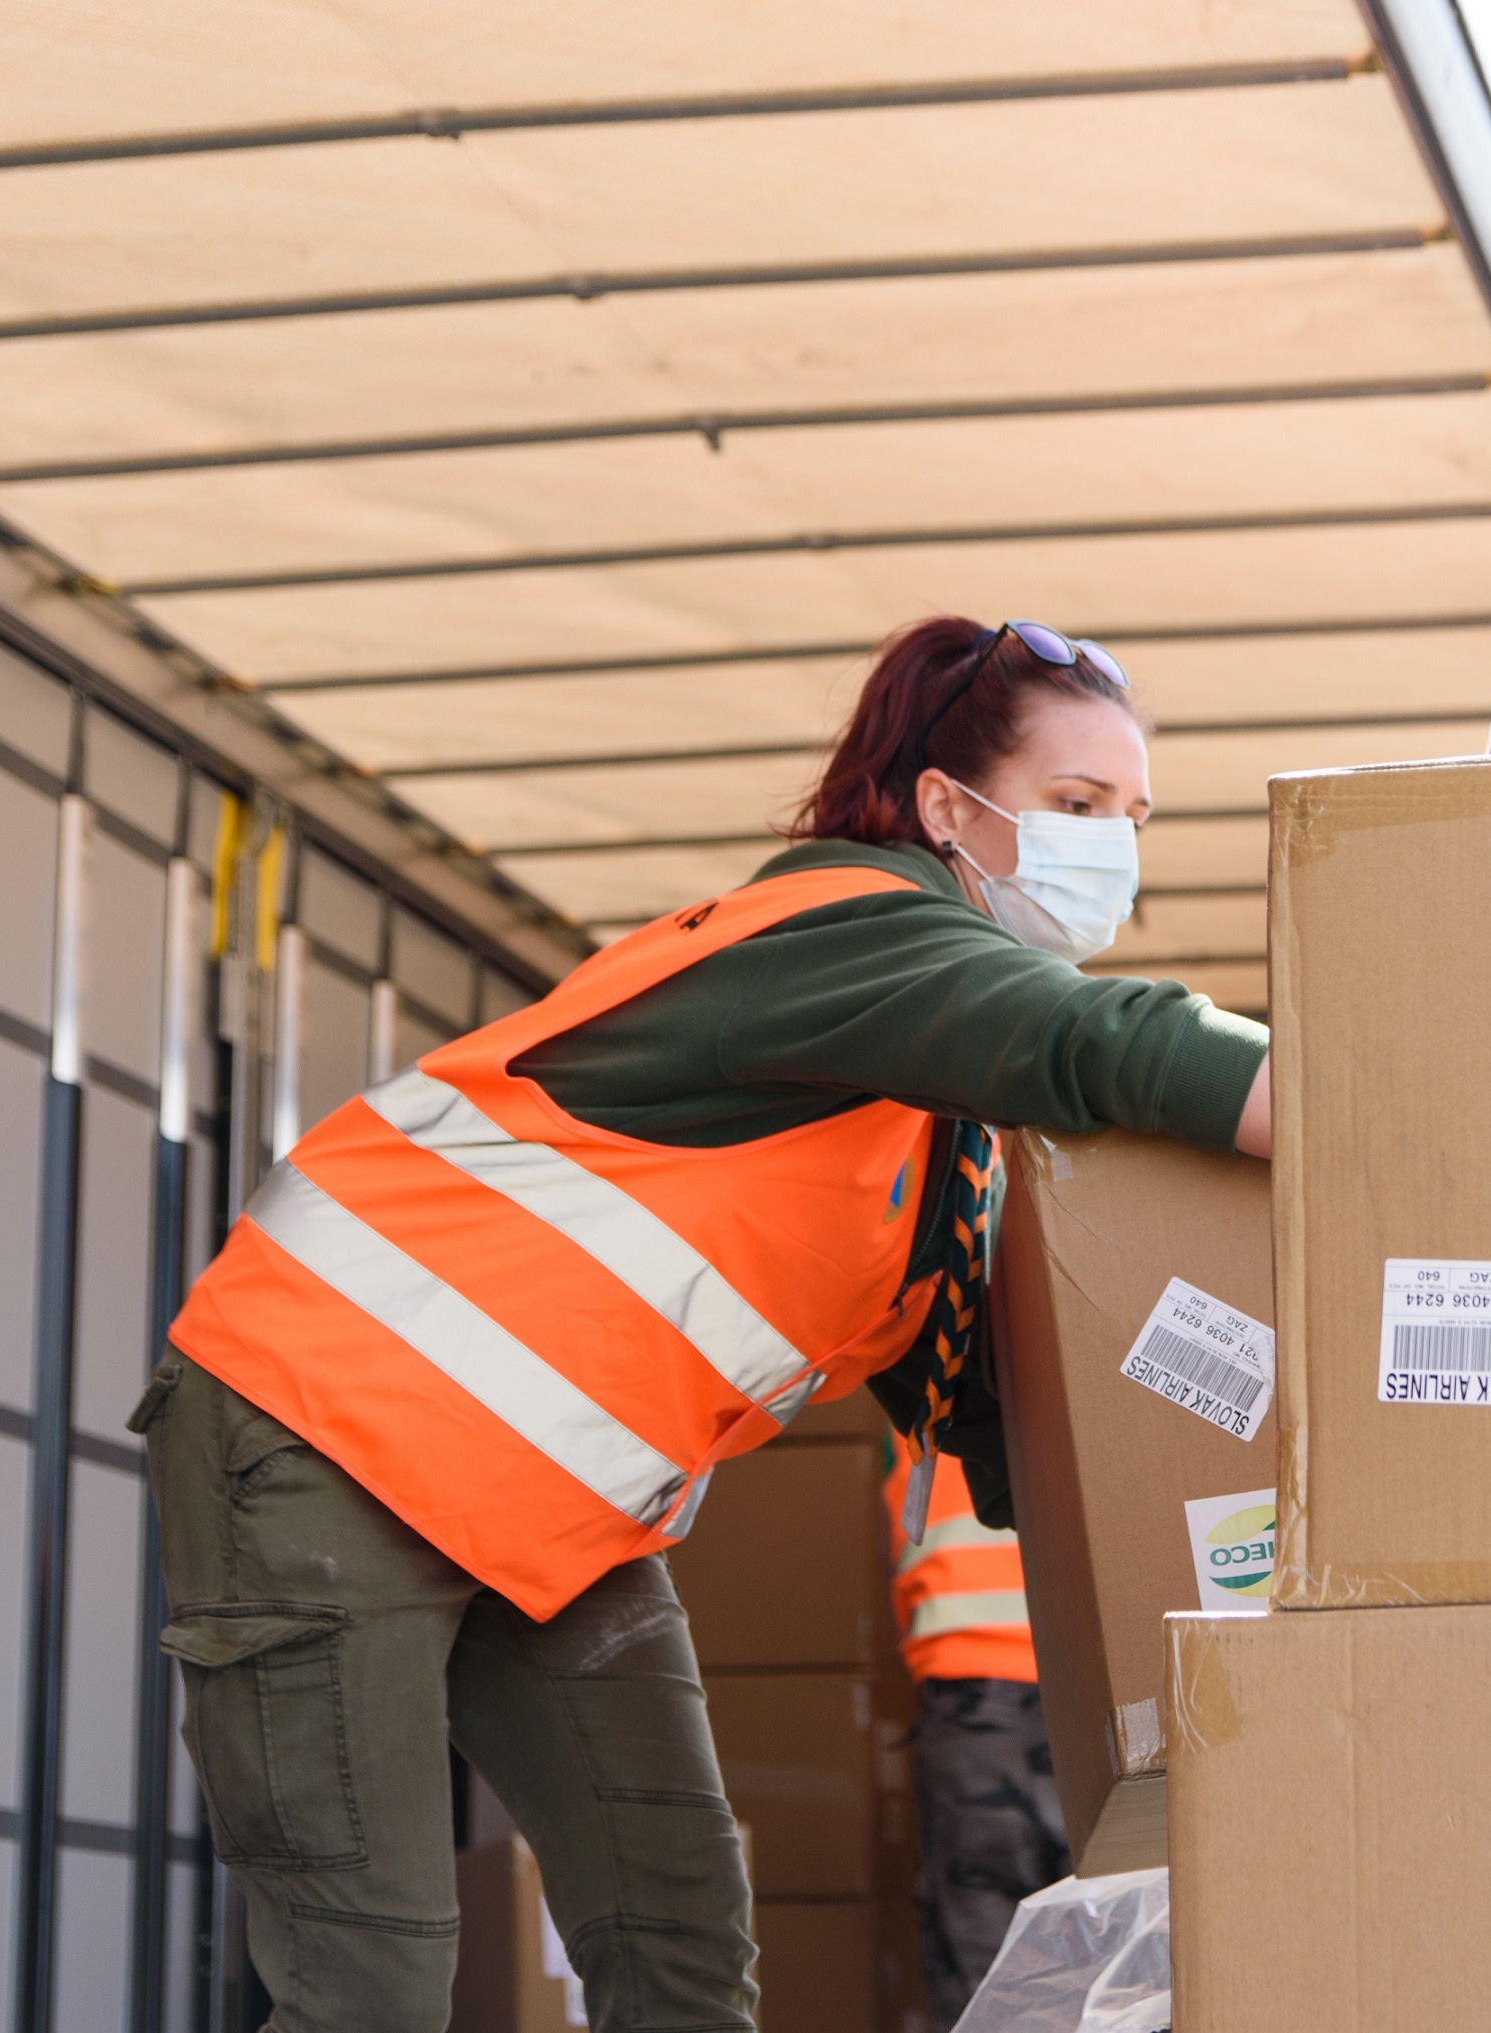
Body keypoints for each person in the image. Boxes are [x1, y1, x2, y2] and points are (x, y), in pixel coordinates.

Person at [136, 615, 1268, 2032]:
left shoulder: (933, 1135)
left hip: (547, 1507)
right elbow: (1102, 1042)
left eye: (1133, 818)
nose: (1116, 849)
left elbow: (1033, 1418)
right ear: (943, 809)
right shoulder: (842, 933)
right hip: (320, 1428)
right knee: (371, 1975)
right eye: (1078, 807)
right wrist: (1390, 1119)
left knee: (677, 1935)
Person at [882, 1436, 1068, 2023]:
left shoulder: (927, 1370)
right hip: (1101, 1693)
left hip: (972, 1698)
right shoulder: (1123, 1362)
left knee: (980, 1953)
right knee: (1113, 1940)